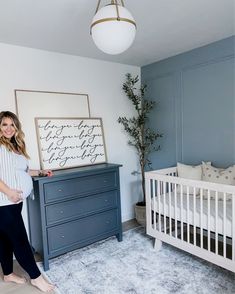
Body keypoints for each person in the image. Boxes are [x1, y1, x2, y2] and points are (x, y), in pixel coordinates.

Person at [0, 111, 55, 293]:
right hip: (4, 202)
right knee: (20, 241)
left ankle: (8, 273)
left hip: (13, 202)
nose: (8, 128)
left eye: (12, 124)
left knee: (5, 240)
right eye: (4, 124)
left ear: (16, 127)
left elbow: (22, 170)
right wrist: (9, 192)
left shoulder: (15, 146)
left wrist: (39, 171)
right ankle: (36, 278)